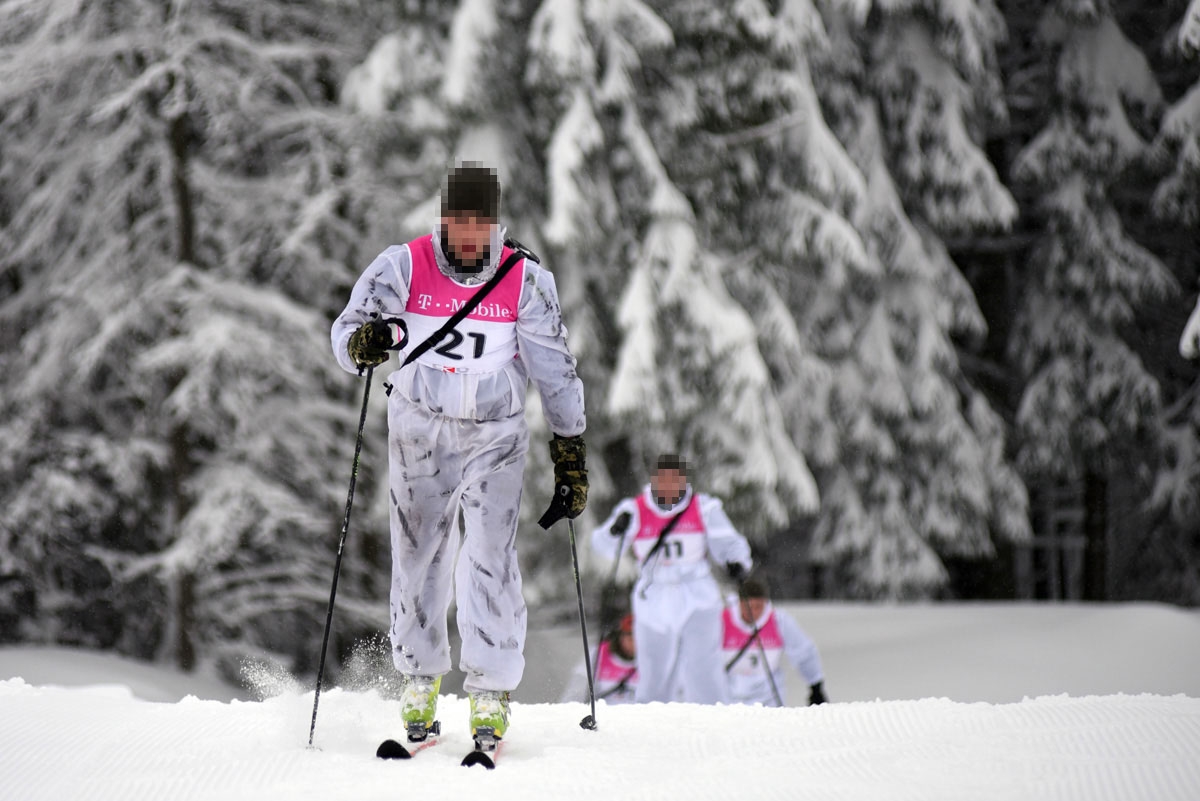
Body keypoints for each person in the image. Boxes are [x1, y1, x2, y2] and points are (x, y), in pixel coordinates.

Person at [330, 162, 588, 748]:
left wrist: (570, 450)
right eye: (458, 220)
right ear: (443, 218)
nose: (469, 233)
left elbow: (556, 371)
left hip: (495, 431)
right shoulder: (403, 265)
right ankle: (420, 680)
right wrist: (362, 344)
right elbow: (347, 337)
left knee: (490, 557)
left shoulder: (524, 280)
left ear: (495, 222)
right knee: (418, 553)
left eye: (480, 222)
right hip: (420, 427)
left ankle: (491, 691)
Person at [591, 454, 752, 704]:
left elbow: (729, 542)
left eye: (674, 480)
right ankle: (653, 720)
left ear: (683, 481)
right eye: (663, 480)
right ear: (654, 481)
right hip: (654, 596)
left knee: (703, 665)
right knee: (654, 669)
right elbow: (602, 545)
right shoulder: (634, 509)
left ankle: (712, 717)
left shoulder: (703, 507)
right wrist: (615, 531)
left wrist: (737, 562)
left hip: (696, 593)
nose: (668, 486)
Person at [722, 577, 827, 707]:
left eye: (757, 607)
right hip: (727, 699)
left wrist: (815, 685)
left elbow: (803, 651)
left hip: (768, 698)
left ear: (765, 603)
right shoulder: (722, 620)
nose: (752, 612)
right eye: (747, 607)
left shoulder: (779, 621)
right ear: (739, 603)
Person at [561, 613, 638, 706]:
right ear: (620, 637)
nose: (634, 643)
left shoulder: (652, 660)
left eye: (638, 638)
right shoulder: (598, 653)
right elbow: (577, 690)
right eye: (630, 638)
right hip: (605, 716)